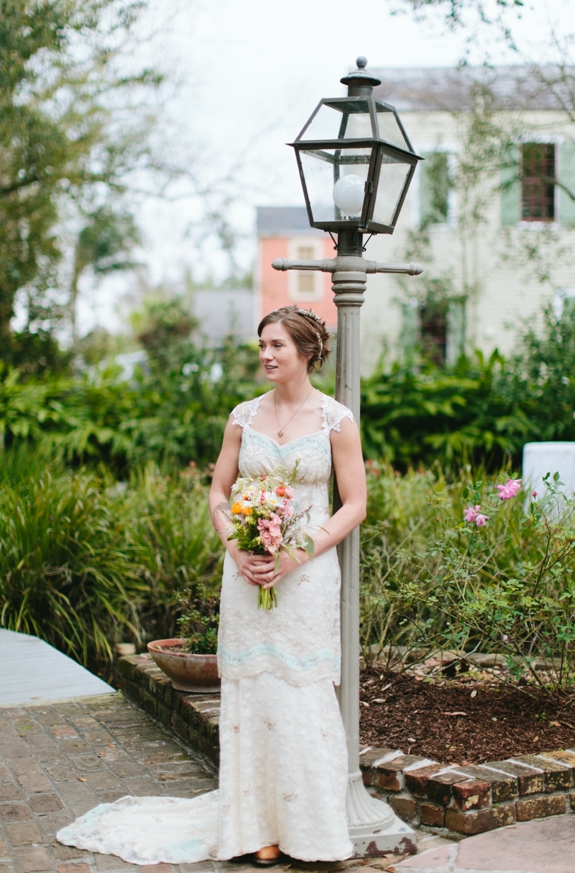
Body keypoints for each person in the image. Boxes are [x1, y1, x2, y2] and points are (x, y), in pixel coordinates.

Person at [57, 305, 366, 866]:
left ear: (307, 352)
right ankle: (255, 829)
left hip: (307, 572)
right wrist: (236, 546)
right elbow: (219, 493)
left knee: (300, 689)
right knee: (251, 689)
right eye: (262, 347)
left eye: (277, 346)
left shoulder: (336, 421)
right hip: (247, 571)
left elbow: (356, 505)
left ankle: (310, 830)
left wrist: (296, 554)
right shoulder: (242, 417)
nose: (266, 356)